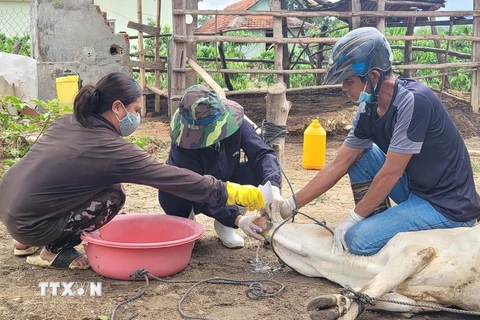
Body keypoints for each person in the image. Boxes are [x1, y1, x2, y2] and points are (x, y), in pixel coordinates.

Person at [0, 73, 265, 270]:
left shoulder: (70, 121)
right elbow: (169, 177)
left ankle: (23, 242)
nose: (138, 117)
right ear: (117, 107)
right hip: (31, 223)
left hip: (10, 205)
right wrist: (229, 190)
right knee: (113, 195)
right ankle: (52, 249)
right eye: (137, 110)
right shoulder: (112, 149)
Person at [280, 27, 480, 256]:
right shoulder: (368, 108)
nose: (344, 88)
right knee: (362, 156)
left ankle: (373, 236)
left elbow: (391, 173)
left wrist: (352, 220)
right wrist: (290, 206)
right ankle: (377, 226)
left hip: (446, 205)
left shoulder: (414, 102)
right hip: (416, 188)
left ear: (373, 76)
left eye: (349, 81)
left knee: (357, 240)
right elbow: (339, 165)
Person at [158, 84, 284, 249]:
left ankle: (225, 226)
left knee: (255, 171)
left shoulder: (237, 123)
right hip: (191, 192)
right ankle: (187, 224)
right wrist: (239, 220)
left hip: (226, 181)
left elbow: (263, 154)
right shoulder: (183, 145)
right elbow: (197, 188)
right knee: (171, 190)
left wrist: (272, 186)